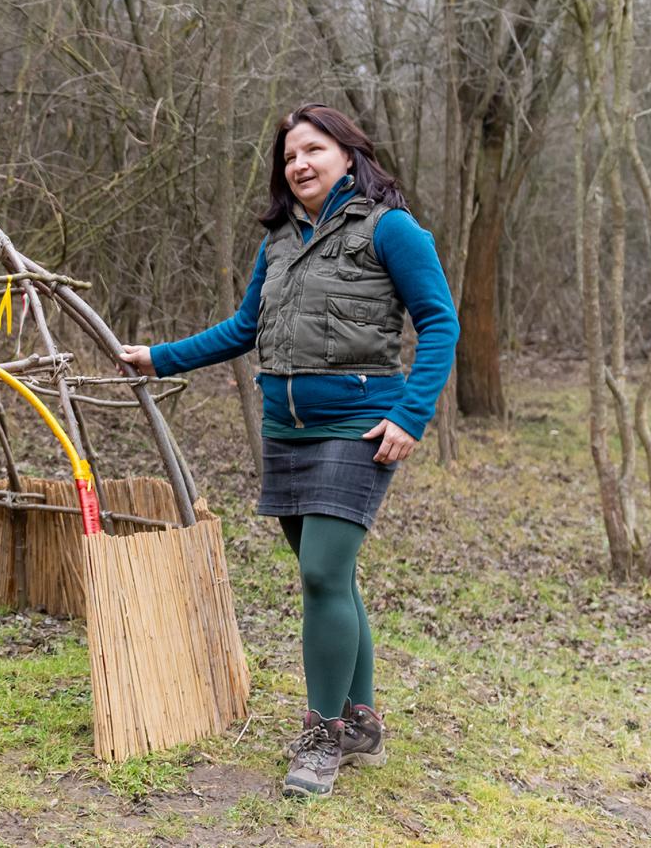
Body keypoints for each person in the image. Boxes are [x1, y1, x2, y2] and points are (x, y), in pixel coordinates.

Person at [119, 104, 458, 799]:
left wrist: (410, 416)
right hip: (287, 429)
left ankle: (320, 738)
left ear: (348, 153)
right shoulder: (277, 242)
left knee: (322, 576)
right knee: (333, 577)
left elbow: (439, 322)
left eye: (313, 149)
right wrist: (159, 358)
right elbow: (245, 327)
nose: (298, 164)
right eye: (288, 156)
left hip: (360, 427)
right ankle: (361, 725)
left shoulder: (390, 228)